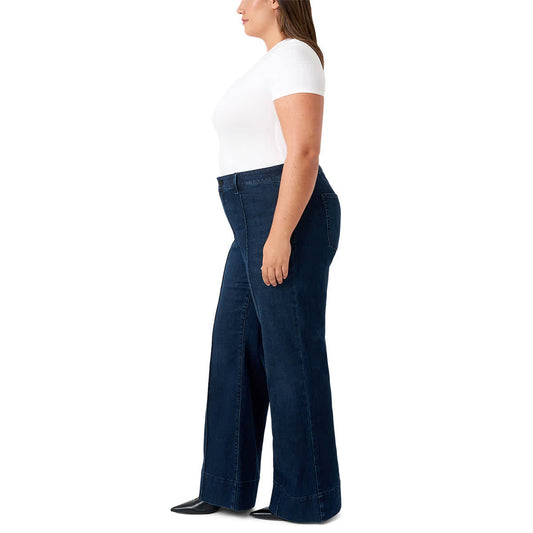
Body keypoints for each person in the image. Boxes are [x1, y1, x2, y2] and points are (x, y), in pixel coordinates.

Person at [170, 0, 342, 523]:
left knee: (290, 354)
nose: (239, 7)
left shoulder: (295, 56)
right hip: (252, 219)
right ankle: (226, 486)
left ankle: (309, 498)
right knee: (234, 346)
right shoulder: (271, 62)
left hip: (286, 216)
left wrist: (280, 234)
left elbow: (304, 151)